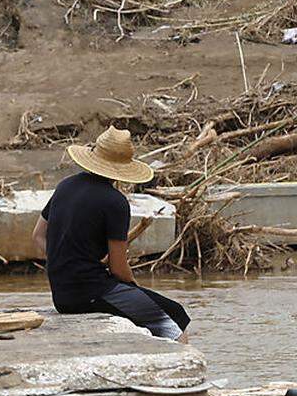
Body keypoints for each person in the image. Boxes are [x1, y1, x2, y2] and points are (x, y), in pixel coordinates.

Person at [31, 126, 191, 342]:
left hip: (61, 294)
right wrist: (133, 286)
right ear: (122, 169)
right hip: (90, 293)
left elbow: (38, 235)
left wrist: (63, 264)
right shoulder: (115, 202)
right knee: (173, 315)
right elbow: (118, 268)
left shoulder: (66, 185)